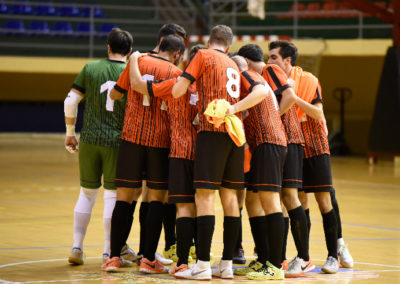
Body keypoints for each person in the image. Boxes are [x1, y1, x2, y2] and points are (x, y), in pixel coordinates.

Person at [101, 35, 186, 273]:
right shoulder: (177, 74)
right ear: (177, 54)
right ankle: (148, 258)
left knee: (124, 198)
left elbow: (115, 94)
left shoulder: (138, 62)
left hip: (132, 138)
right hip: (160, 141)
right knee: (156, 199)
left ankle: (113, 257)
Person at [268, 40, 353, 273]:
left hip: (314, 142)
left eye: (273, 57)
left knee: (325, 199)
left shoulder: (308, 80)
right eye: (268, 57)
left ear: (288, 60)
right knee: (297, 200)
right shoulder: (270, 78)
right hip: (292, 142)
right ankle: (301, 257)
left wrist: (293, 96)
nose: (269, 62)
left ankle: (335, 250)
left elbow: (317, 112)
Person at [171, 25, 244, 280]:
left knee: (204, 197)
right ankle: (226, 264)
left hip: (212, 130)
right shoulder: (233, 64)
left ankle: (202, 264)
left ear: (209, 41)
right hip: (235, 133)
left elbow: (178, 90)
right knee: (231, 198)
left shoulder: (202, 56)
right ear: (228, 45)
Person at [235, 44, 314, 278]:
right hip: (269, 141)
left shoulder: (267, 72)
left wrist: (271, 118)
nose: (272, 60)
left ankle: (291, 260)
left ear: (245, 63)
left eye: (275, 56)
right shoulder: (256, 78)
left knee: (284, 198)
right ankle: (266, 259)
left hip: (283, 139)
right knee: (256, 200)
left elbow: (289, 96)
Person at [126, 44, 205, 276]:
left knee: (182, 207)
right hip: (207, 155)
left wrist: (134, 59)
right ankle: (204, 261)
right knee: (204, 206)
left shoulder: (175, 83)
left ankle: (180, 261)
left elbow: (139, 85)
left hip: (179, 152)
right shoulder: (210, 89)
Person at [64, 28, 134, 265]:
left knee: (86, 193)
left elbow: (71, 100)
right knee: (112, 197)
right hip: (117, 142)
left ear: (108, 47)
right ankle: (108, 252)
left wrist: (70, 134)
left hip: (90, 139)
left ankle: (77, 247)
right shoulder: (131, 71)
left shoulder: (90, 68)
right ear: (130, 51)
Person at [227, 55, 288, 280]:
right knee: (253, 201)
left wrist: (233, 108)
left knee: (270, 202)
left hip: (269, 143)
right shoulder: (244, 83)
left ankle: (275, 264)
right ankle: (262, 259)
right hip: (260, 146)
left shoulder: (248, 76)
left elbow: (261, 92)